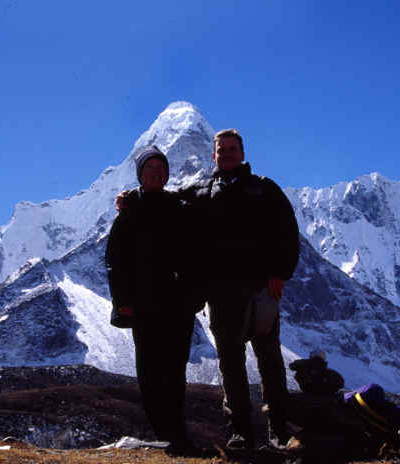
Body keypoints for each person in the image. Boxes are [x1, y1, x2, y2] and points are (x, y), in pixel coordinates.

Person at [118, 129, 300, 450]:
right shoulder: (200, 192)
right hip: (221, 293)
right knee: (230, 362)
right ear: (213, 154)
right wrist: (134, 197)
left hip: (261, 289)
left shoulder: (265, 189)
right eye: (221, 149)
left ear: (242, 153)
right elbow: (164, 199)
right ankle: (241, 431)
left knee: (269, 358)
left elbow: (287, 231)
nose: (227, 154)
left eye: (232, 149)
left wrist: (280, 274)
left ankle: (280, 429)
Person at [104, 146, 198, 455]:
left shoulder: (180, 207)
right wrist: (122, 302)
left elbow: (196, 256)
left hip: (178, 305)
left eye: (161, 168)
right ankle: (165, 435)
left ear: (168, 174)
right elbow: (115, 261)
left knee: (175, 371)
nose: (157, 172)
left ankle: (177, 436)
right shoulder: (129, 212)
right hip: (143, 306)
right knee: (149, 373)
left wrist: (194, 297)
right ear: (140, 175)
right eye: (150, 168)